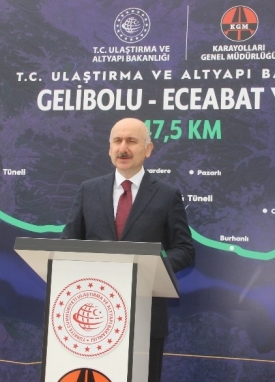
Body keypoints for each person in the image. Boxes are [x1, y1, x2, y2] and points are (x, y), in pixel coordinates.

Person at [61, 117, 195, 382]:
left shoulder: (167, 195)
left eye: (131, 141)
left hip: (146, 318)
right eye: (117, 141)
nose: (123, 148)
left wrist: (150, 267)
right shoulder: (88, 190)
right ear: (109, 148)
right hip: (93, 318)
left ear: (148, 149)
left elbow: (184, 249)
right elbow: (68, 243)